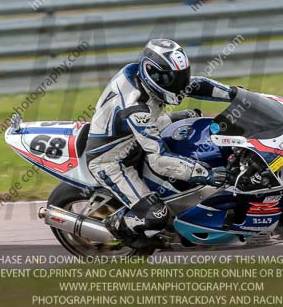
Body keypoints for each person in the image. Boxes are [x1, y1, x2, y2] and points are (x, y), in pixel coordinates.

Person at [86, 39, 233, 237]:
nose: (179, 84)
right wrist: (206, 174)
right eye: (171, 79)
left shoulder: (142, 75)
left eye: (181, 76)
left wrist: (236, 94)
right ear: (151, 73)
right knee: (156, 216)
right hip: (111, 159)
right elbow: (159, 160)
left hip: (136, 132)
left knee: (191, 119)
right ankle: (115, 227)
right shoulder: (135, 108)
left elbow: (197, 85)